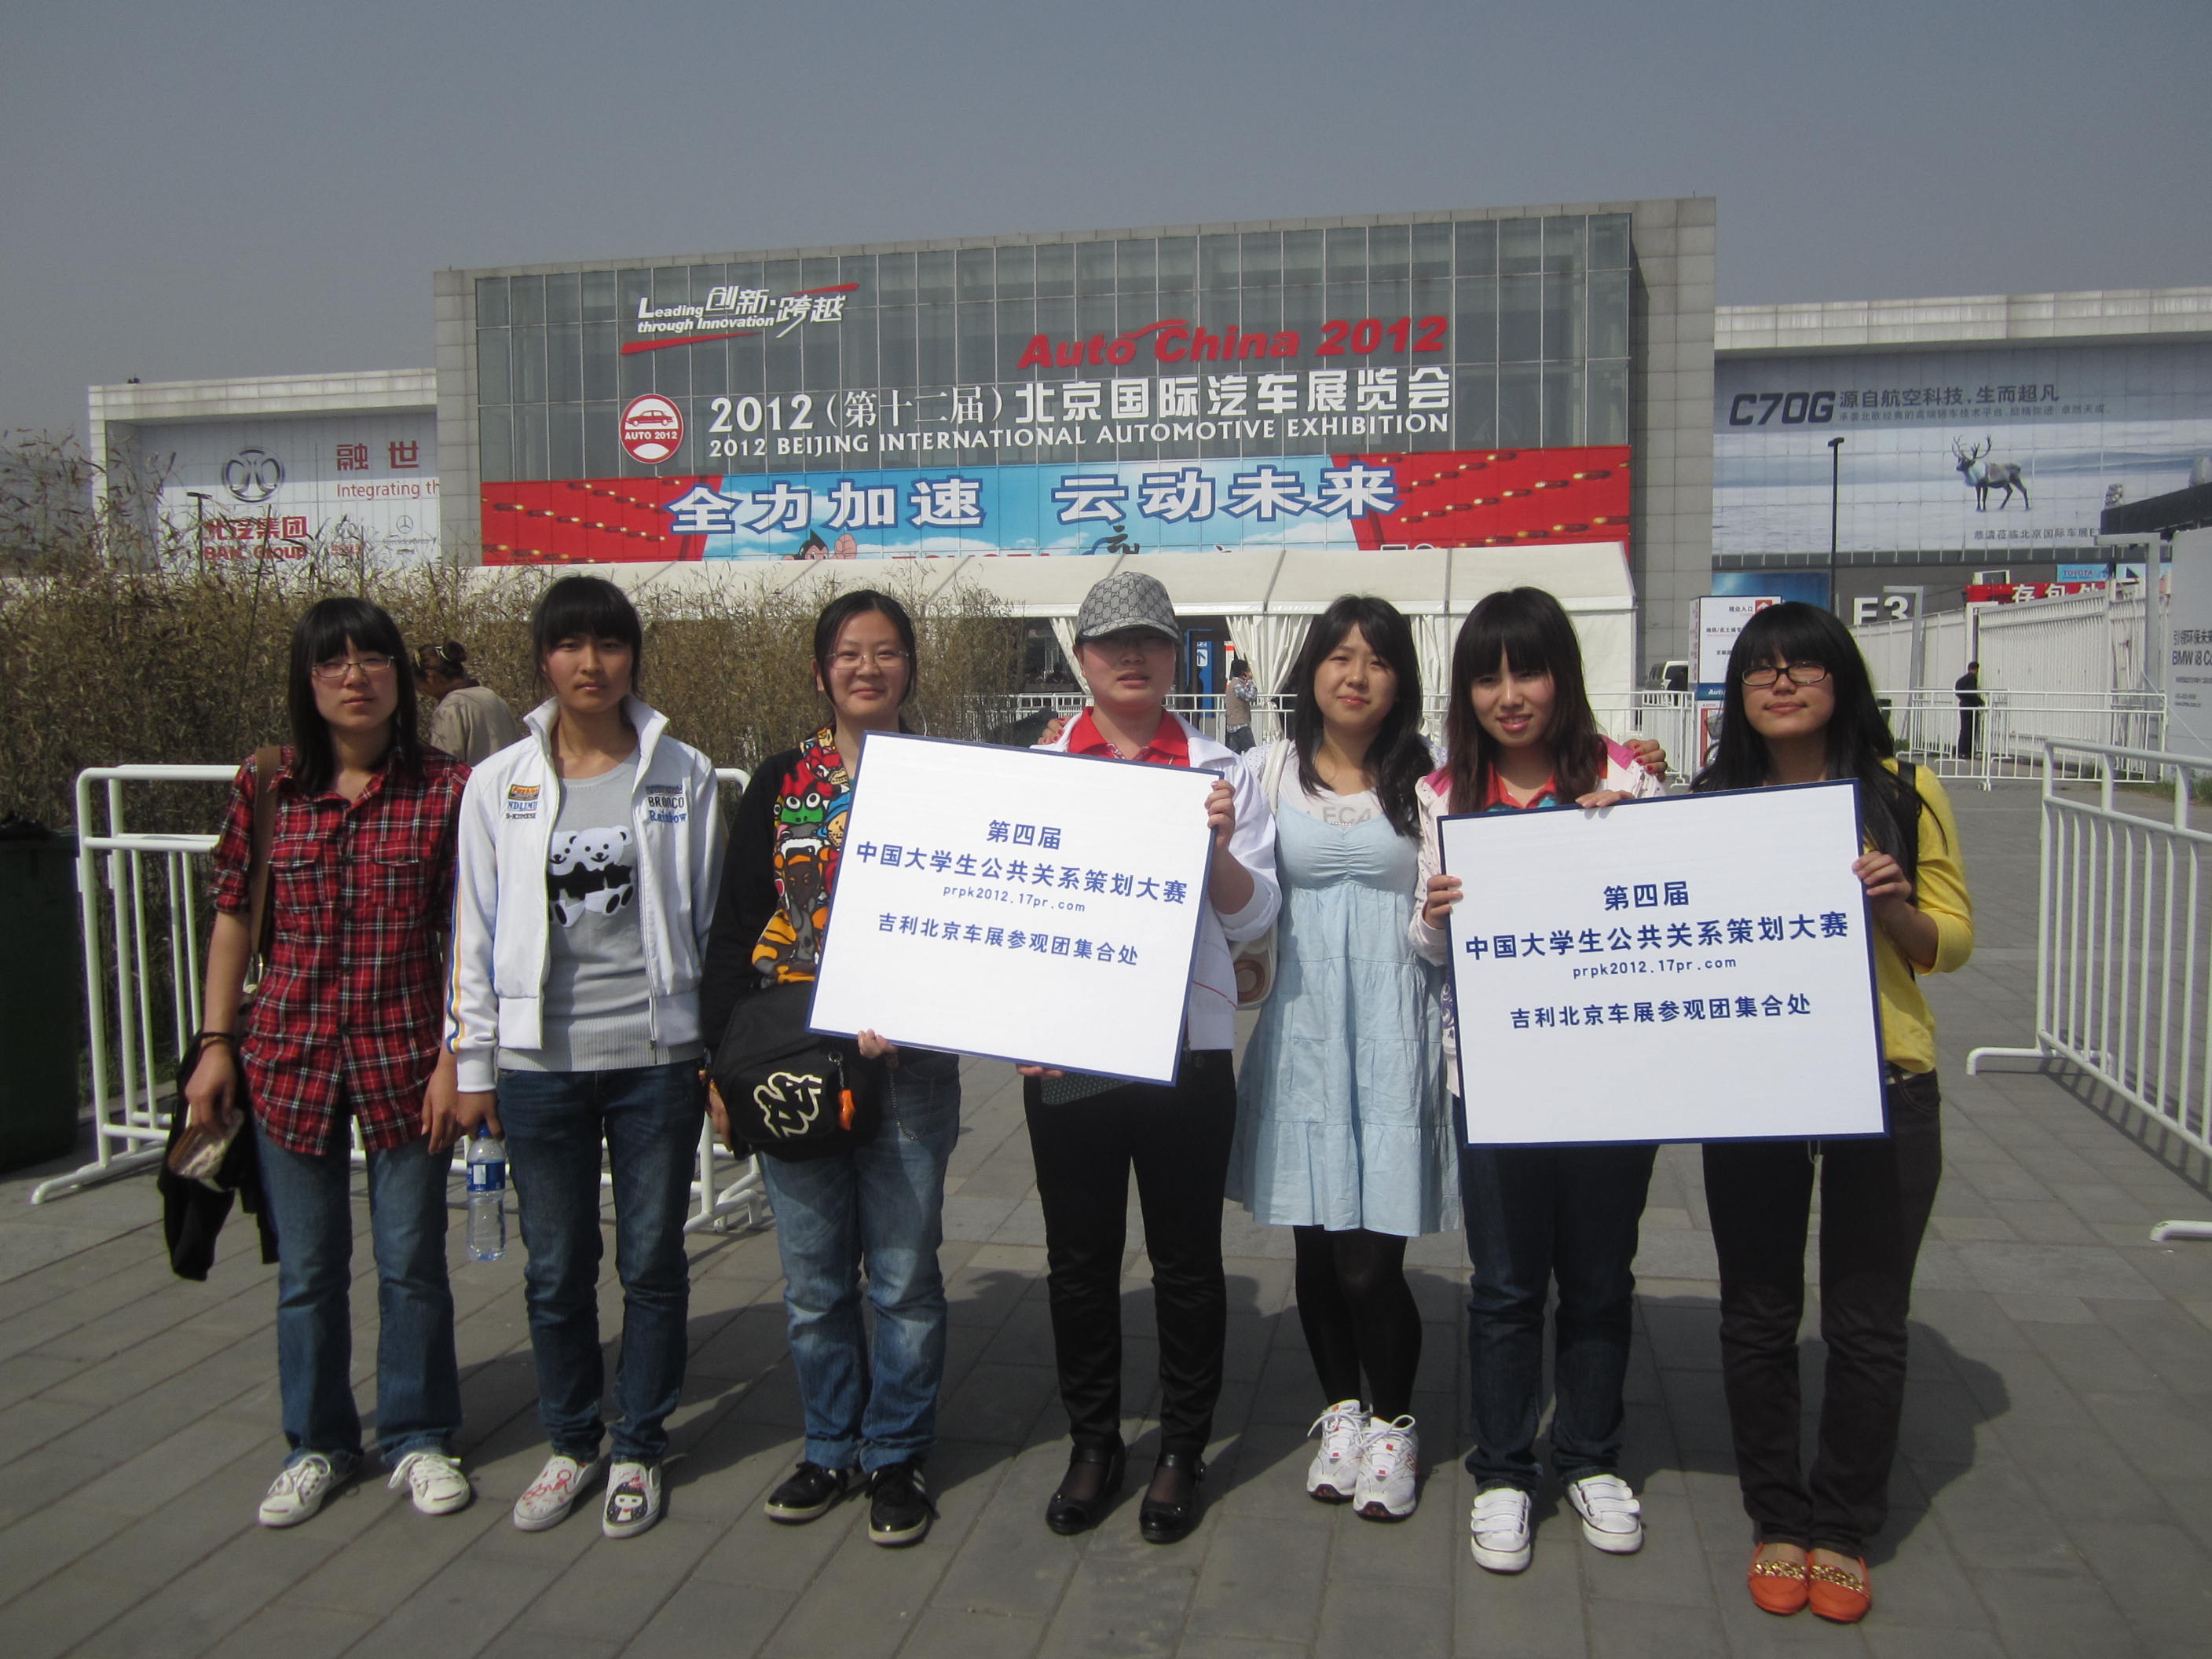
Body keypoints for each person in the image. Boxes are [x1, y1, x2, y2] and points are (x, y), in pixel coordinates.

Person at [1693, 602, 1972, 1624]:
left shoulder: (1902, 791)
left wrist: (1891, 906)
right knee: (1757, 1310)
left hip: (1886, 1077)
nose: (1780, 684)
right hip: (1757, 1081)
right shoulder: (1712, 802)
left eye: (1802, 667)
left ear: (1841, 679)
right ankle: (1776, 1516)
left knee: (1865, 1319)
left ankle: (1844, 1526)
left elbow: (1953, 942)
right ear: (1737, 693)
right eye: (1759, 669)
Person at [183, 596, 471, 1529]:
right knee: (308, 1270)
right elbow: (234, 917)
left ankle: (419, 1434)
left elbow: (467, 933)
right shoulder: (269, 786)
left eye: (373, 658)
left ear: (401, 676)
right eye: (333, 663)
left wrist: (455, 1055)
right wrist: (215, 1045)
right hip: (289, 1057)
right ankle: (317, 1443)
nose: (356, 677)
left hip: (405, 1056)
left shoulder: (446, 788)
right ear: (307, 683)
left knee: (411, 1263)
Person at [448, 575, 723, 1541]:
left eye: (608, 644)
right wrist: (473, 1064)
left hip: (655, 1056)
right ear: (544, 659)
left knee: (651, 1259)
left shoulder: (682, 772)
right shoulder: (499, 783)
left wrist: (710, 1049)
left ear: (632, 656)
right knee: (557, 1267)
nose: (591, 664)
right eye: (570, 645)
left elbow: (708, 916)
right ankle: (571, 1442)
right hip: (538, 1066)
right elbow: (473, 930)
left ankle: (639, 1443)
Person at [698, 589, 962, 1549]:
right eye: (848, 653)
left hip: (909, 1068)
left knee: (902, 1277)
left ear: (909, 670)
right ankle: (828, 1445)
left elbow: (972, 924)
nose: (866, 668)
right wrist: (715, 1068)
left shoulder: (949, 782)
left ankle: (895, 1454)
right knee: (813, 1282)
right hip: (793, 1062)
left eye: (886, 652)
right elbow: (735, 929)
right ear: (820, 672)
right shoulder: (780, 782)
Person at [1412, 585, 1666, 1575]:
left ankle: (1591, 1457)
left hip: (1611, 1077)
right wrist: (1434, 915)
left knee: (1599, 1277)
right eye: (1487, 677)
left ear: (1563, 675)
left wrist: (1630, 832)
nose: (1509, 696)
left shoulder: (1622, 777)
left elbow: (1669, 912)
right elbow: (1423, 947)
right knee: (1507, 1284)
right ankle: (1504, 1471)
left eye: (1528, 672)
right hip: (1494, 1078)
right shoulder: (1443, 794)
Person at [1023, 570, 1280, 1545]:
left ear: (1176, 656)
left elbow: (1254, 917)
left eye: (1151, 640)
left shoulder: (1221, 773)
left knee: (1185, 1259)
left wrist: (1211, 847)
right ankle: (1093, 1442)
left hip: (1186, 1053)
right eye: (1110, 641)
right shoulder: (1040, 766)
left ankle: (1181, 1447)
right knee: (1078, 1260)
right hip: (1068, 1054)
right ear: (1081, 657)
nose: (1131, 656)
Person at [1225, 598, 1454, 1522]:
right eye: (1338, 656)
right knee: (1316, 1251)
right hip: (1301, 1035)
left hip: (1394, 1033)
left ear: (1400, 681)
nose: (1355, 676)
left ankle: (1394, 1426)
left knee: (1369, 1261)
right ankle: (1341, 1414)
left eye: (1377, 660)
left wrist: (1625, 774)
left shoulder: (1430, 776)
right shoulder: (1265, 770)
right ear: (1309, 669)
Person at [416, 641, 524, 765]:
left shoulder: (449, 709)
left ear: (430, 676)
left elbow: (445, 768)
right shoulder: (492, 697)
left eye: (419, 684)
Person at [1224, 657, 1258, 753]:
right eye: (1248, 670)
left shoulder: (1233, 684)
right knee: (1252, 753)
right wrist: (1251, 682)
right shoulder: (1237, 685)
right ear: (1243, 672)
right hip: (1241, 725)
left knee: (1235, 755)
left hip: (1232, 725)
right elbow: (1252, 697)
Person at [1954, 660, 1983, 760]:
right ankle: (1966, 751)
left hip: (1964, 705)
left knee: (1964, 729)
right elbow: (1972, 693)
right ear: (1976, 670)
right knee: (1971, 729)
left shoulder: (1962, 680)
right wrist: (1980, 702)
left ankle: (1962, 751)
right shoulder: (1972, 679)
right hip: (1971, 707)